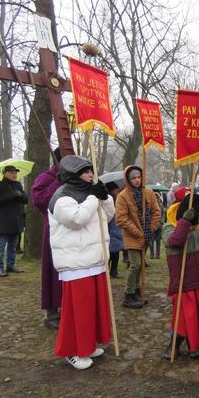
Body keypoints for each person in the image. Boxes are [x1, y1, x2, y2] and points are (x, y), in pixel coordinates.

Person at [48, 155, 114, 370]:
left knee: (93, 308)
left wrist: (105, 198)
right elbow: (76, 220)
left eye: (90, 171)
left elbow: (109, 216)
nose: (91, 175)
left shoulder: (89, 193)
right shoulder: (61, 197)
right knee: (78, 311)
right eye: (86, 172)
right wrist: (94, 198)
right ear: (74, 175)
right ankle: (72, 350)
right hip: (76, 263)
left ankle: (87, 345)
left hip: (93, 259)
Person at [162, 193, 199, 360]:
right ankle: (174, 345)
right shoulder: (168, 228)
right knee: (184, 317)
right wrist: (184, 221)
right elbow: (175, 242)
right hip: (183, 281)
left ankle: (194, 345)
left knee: (198, 316)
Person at [115, 165, 162, 309]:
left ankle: (136, 292)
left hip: (147, 234)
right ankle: (128, 295)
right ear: (128, 180)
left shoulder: (148, 193)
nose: (137, 180)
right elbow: (121, 218)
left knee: (141, 264)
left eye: (138, 177)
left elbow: (156, 212)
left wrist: (151, 228)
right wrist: (138, 232)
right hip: (132, 236)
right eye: (133, 178)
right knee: (135, 264)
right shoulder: (122, 196)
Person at [31, 148, 64, 329]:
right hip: (52, 230)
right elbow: (41, 201)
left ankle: (67, 308)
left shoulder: (75, 178)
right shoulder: (46, 177)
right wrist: (58, 181)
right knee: (52, 270)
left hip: (72, 233)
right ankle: (52, 312)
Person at [0, 165, 28, 276]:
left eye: (15, 172)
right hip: (3, 221)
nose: (14, 174)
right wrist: (10, 196)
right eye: (11, 172)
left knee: (13, 246)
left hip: (16, 220)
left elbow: (26, 199)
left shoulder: (18, 185)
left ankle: (11, 265)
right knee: (0, 246)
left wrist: (19, 195)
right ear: (4, 173)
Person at [107, 183, 124, 278]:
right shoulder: (109, 201)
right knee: (110, 253)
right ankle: (110, 271)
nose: (118, 192)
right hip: (111, 230)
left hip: (116, 230)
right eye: (116, 191)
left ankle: (114, 270)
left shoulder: (118, 201)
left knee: (115, 253)